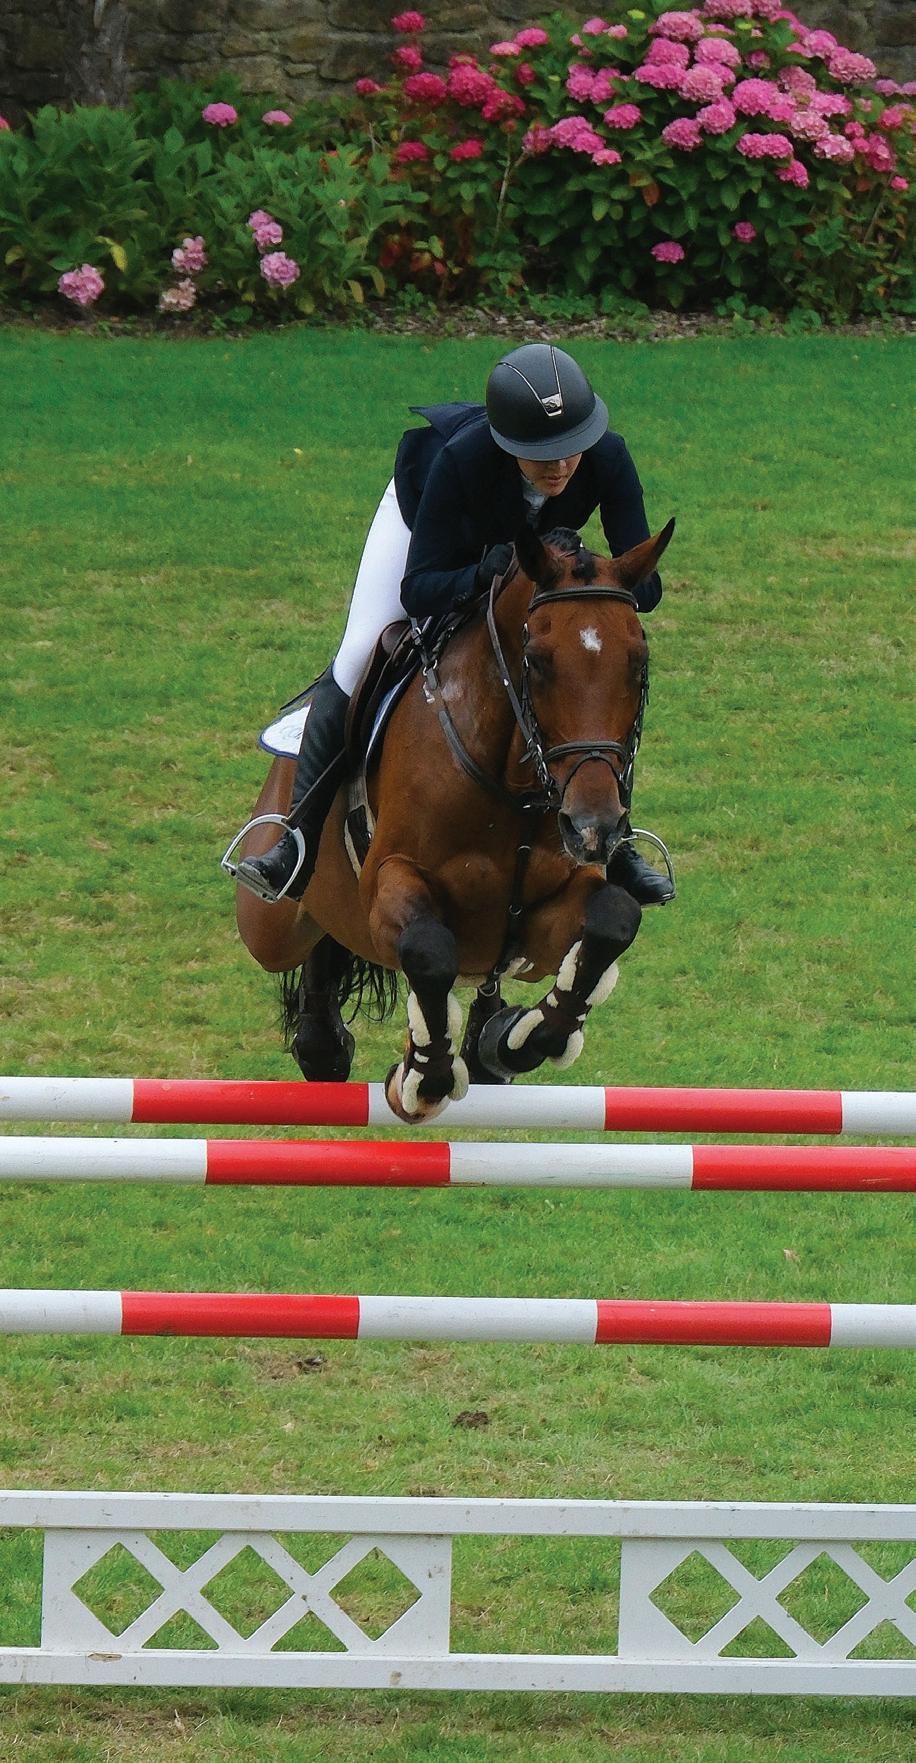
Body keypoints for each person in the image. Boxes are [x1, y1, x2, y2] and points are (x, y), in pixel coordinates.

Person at [231, 342, 673, 906]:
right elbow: (419, 588)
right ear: (508, 446)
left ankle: (619, 844)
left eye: (571, 449)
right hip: (430, 532)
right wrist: (481, 574)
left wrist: (607, 577)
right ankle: (296, 839)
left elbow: (643, 585)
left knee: (593, 677)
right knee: (361, 649)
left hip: (527, 559)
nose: (562, 465)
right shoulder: (462, 460)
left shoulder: (607, 455)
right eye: (542, 454)